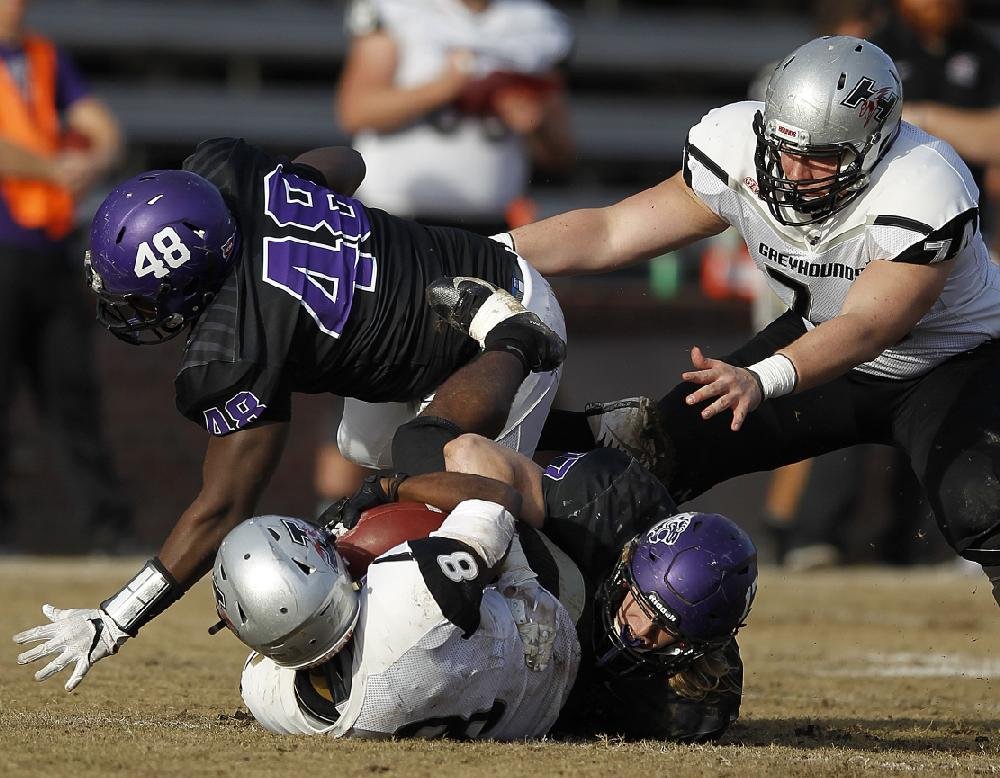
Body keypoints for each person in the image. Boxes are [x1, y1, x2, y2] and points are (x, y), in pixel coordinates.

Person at [12, 136, 566, 692]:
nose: (136, 313)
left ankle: (560, 611)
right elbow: (350, 160)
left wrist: (114, 620)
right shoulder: (228, 176)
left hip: (499, 334)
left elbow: (222, 509)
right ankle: (579, 437)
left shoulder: (238, 340)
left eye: (143, 300)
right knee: (370, 452)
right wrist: (301, 191)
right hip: (458, 281)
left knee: (461, 504)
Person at [512, 36, 1000, 608]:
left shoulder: (923, 182)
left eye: (821, 156)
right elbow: (611, 232)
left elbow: (871, 327)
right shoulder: (737, 147)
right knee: (651, 459)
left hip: (950, 361)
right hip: (819, 336)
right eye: (784, 147)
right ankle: (581, 631)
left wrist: (763, 377)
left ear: (875, 145)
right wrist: (492, 254)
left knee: (982, 505)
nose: (793, 172)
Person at [318, 0, 576, 505]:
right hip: (398, 225)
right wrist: (447, 87)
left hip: (490, 230)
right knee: (371, 369)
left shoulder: (535, 24)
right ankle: (334, 516)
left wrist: (535, 121)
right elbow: (356, 108)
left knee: (514, 366)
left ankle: (544, 506)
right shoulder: (395, 10)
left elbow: (562, 149)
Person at [215, 491, 580, 738]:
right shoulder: (407, 597)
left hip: (529, 719)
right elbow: (497, 499)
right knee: (451, 447)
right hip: (556, 633)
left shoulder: (267, 697)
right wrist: (390, 485)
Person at [0, 0, 132, 552]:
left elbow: (102, 128)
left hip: (50, 246)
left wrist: (95, 158)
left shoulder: (41, 57)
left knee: (73, 393)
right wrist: (56, 164)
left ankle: (108, 529)